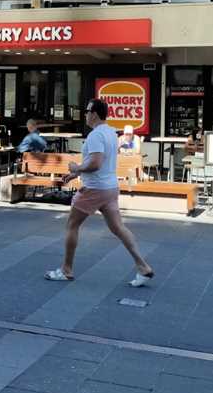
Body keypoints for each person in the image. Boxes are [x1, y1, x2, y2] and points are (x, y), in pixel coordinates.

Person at [44, 98, 153, 287]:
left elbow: (95, 163)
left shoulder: (95, 136)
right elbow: (98, 162)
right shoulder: (111, 133)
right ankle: (143, 267)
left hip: (94, 189)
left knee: (72, 225)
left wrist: (76, 167)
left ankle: (66, 270)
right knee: (118, 228)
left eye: (86, 111)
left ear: (94, 113)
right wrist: (74, 174)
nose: (85, 114)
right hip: (109, 188)